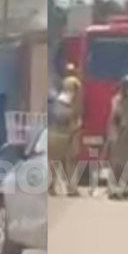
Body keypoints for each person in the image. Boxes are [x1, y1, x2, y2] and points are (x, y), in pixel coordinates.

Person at [48, 64, 84, 196]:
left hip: (54, 132)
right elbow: (76, 107)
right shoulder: (75, 86)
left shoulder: (58, 97)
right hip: (66, 133)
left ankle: (51, 186)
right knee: (70, 162)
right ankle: (71, 188)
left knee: (54, 162)